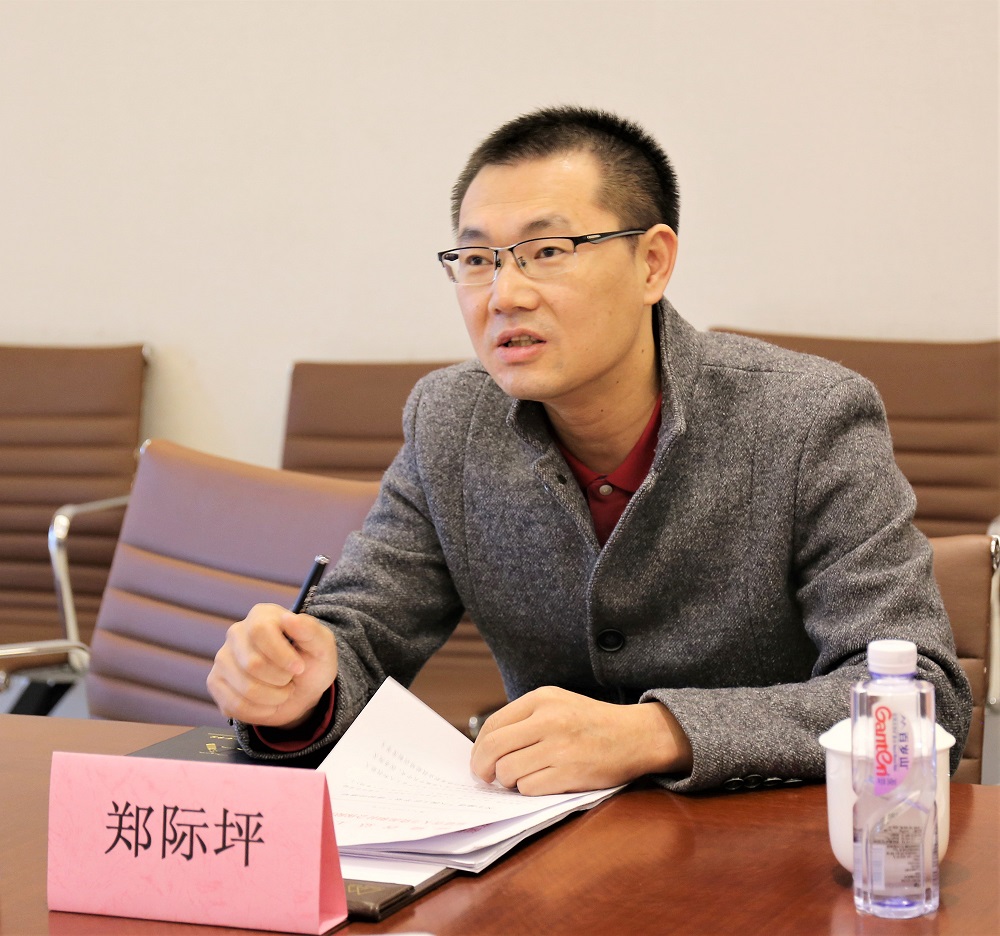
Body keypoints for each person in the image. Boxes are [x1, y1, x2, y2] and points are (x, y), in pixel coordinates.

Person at [207, 106, 971, 793]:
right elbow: (363, 629)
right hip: (541, 846)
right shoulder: (451, 420)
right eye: (477, 259)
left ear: (652, 263)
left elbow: (919, 698)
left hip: (770, 840)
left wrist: (657, 733)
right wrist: (300, 685)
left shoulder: (807, 418)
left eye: (547, 250)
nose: (504, 294)